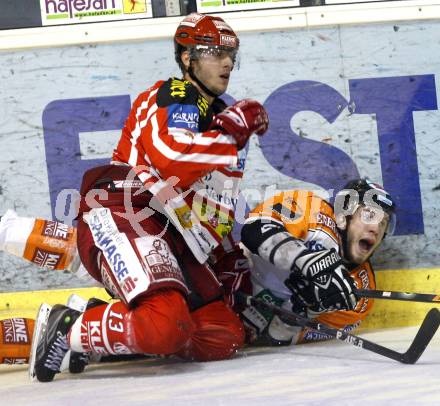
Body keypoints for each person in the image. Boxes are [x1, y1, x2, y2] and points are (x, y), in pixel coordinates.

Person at [27, 12, 269, 382]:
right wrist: (231, 133)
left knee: (223, 333)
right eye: (214, 53)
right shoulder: (175, 95)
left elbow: (213, 207)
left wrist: (229, 261)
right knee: (165, 327)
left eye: (231, 55)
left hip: (173, 235)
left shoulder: (220, 118)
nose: (226, 63)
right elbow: (174, 162)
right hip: (126, 210)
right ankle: (70, 326)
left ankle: (114, 326)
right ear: (187, 59)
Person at [236, 178, 396, 345]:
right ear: (343, 216)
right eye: (369, 215)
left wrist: (302, 312)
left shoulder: (360, 297)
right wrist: (304, 259)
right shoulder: (312, 210)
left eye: (383, 223)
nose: (376, 229)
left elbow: (272, 341)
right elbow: (253, 228)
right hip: (229, 280)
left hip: (239, 330)